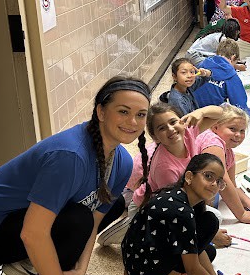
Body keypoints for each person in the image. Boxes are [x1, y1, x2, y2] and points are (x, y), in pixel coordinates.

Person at [0, 76, 151, 275]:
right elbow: (33, 232)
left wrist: (80, 268)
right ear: (101, 112)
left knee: (113, 205)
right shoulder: (69, 156)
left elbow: (96, 221)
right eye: (123, 111)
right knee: (77, 219)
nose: (133, 122)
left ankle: (33, 265)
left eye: (140, 114)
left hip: (19, 221)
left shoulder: (121, 161)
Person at [96, 102, 230, 250]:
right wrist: (212, 235)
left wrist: (200, 112)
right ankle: (122, 230)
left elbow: (219, 113)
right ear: (156, 138)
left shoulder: (188, 133)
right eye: (162, 128)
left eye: (173, 122)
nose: (171, 129)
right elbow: (177, 207)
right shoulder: (164, 168)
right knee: (159, 238)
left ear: (183, 121)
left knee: (214, 217)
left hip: (177, 198)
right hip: (148, 208)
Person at [121, 154, 248, 275]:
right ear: (189, 177)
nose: (214, 184)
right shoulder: (182, 213)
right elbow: (192, 268)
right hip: (145, 267)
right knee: (210, 223)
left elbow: (195, 247)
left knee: (210, 251)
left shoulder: (176, 194)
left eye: (219, 181)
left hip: (134, 258)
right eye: (208, 176)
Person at [196, 106, 250, 225]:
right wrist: (241, 213)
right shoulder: (213, 142)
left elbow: (231, 184)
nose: (238, 135)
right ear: (215, 127)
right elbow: (222, 180)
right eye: (232, 129)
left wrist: (249, 203)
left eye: (242, 131)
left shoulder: (229, 151)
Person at [192, 39, 250, 114]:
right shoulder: (231, 76)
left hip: (192, 111)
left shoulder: (201, 66)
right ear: (233, 57)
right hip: (212, 116)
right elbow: (239, 106)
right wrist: (248, 112)